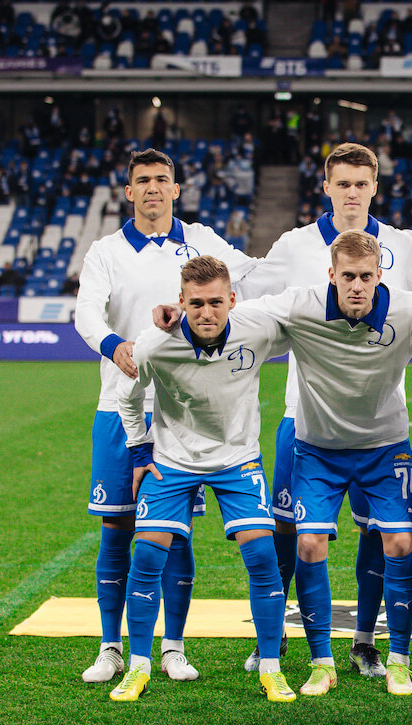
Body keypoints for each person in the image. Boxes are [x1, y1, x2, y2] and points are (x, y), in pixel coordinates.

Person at [231, 142, 412, 679]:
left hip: (378, 421)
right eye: (343, 184)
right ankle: (273, 640)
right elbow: (247, 295)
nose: (352, 193)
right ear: (326, 187)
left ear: (375, 187)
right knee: (289, 532)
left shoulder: (400, 245)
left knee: (377, 533)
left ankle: (365, 642)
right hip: (305, 416)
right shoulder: (294, 245)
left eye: (361, 184)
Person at [74, 148, 254, 685]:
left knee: (175, 533)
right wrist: (114, 345)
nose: (152, 188)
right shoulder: (106, 251)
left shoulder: (203, 241)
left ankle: (173, 646)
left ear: (176, 189)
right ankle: (111, 646)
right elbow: (86, 311)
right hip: (119, 405)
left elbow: (250, 281)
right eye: (142, 180)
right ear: (129, 191)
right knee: (116, 527)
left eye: (161, 179)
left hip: (183, 411)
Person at [109, 256, 293, 703]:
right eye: (196, 304)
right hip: (173, 460)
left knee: (262, 555)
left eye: (215, 302)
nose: (206, 312)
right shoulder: (155, 345)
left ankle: (271, 667)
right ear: (181, 302)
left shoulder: (259, 329)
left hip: (238, 459)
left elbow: (307, 319)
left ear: (232, 299)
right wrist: (139, 450)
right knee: (146, 555)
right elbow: (127, 396)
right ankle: (138, 666)